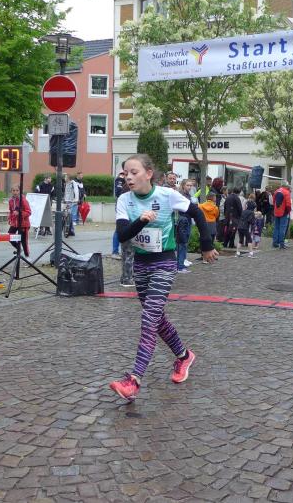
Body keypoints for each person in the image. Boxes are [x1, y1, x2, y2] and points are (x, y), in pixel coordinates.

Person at [109, 154, 218, 401]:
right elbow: (123, 235)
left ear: (149, 173)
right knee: (157, 319)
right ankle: (184, 356)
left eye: (134, 172)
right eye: (125, 173)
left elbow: (197, 212)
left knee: (149, 318)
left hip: (164, 263)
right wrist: (141, 220)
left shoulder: (167, 195)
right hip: (141, 265)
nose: (128, 178)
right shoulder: (125, 200)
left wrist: (206, 244)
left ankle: (134, 380)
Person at [8, 184, 31, 257]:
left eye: (17, 190)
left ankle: (27, 256)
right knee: (9, 236)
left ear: (20, 191)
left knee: (24, 241)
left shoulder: (23, 200)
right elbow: (11, 211)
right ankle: (18, 249)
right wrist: (10, 218)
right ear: (11, 191)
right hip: (14, 223)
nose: (15, 192)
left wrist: (19, 213)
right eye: (13, 190)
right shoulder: (10, 201)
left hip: (23, 223)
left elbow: (29, 212)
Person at [272, 183, 292, 249]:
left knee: (276, 227)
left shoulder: (276, 191)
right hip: (283, 212)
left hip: (276, 212)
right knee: (282, 228)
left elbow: (273, 201)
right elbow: (288, 205)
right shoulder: (286, 192)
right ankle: (281, 244)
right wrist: (288, 212)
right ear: (287, 187)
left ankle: (275, 243)